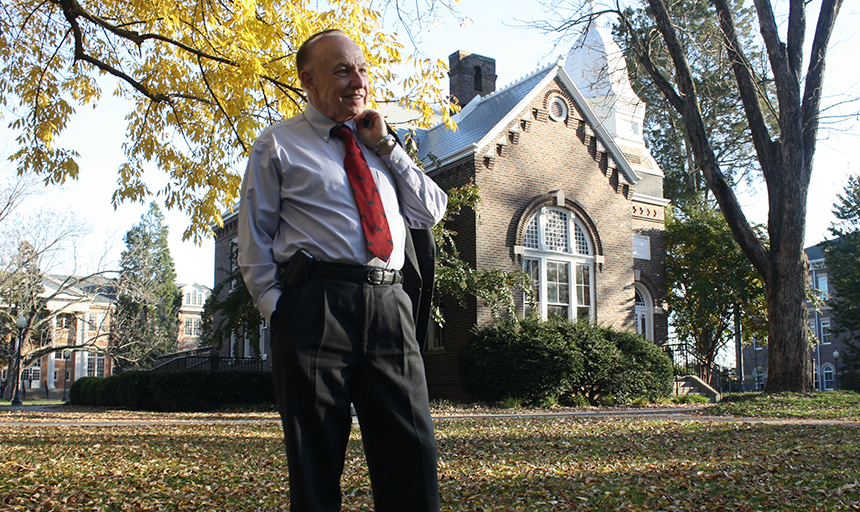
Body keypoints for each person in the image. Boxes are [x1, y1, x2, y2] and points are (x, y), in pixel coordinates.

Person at [237, 29, 446, 512]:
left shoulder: (379, 145)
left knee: (412, 458)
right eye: (342, 70)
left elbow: (430, 211)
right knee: (315, 467)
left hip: (390, 305)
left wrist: (389, 147)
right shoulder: (277, 145)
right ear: (307, 80)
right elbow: (254, 241)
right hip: (316, 308)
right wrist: (281, 313)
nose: (358, 81)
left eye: (363, 69)